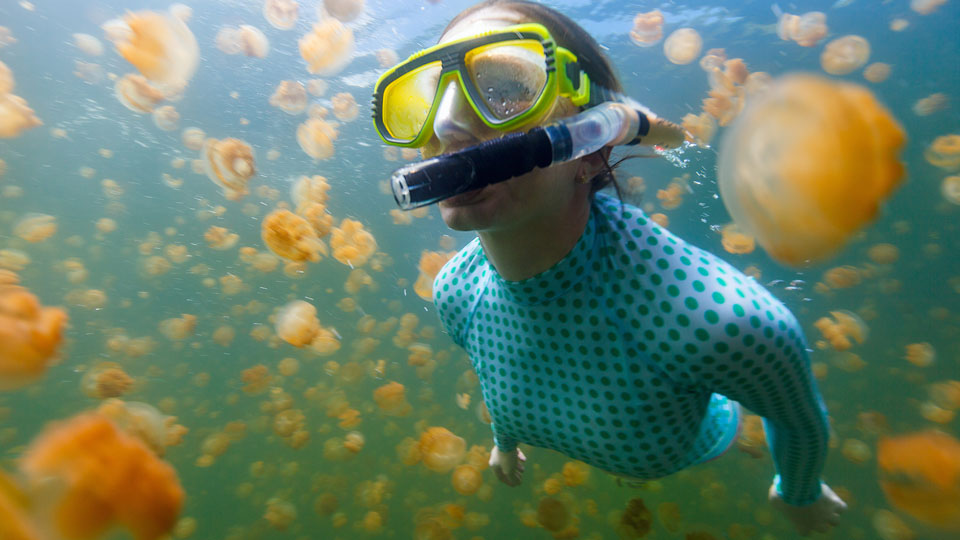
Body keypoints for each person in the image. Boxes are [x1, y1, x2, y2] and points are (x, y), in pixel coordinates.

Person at [372, 0, 846, 535]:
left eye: (504, 87)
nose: (445, 123)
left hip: (708, 446)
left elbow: (795, 419)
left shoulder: (720, 322)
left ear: (592, 147)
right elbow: (496, 372)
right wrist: (504, 445)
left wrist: (799, 493)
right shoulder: (456, 293)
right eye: (428, 95)